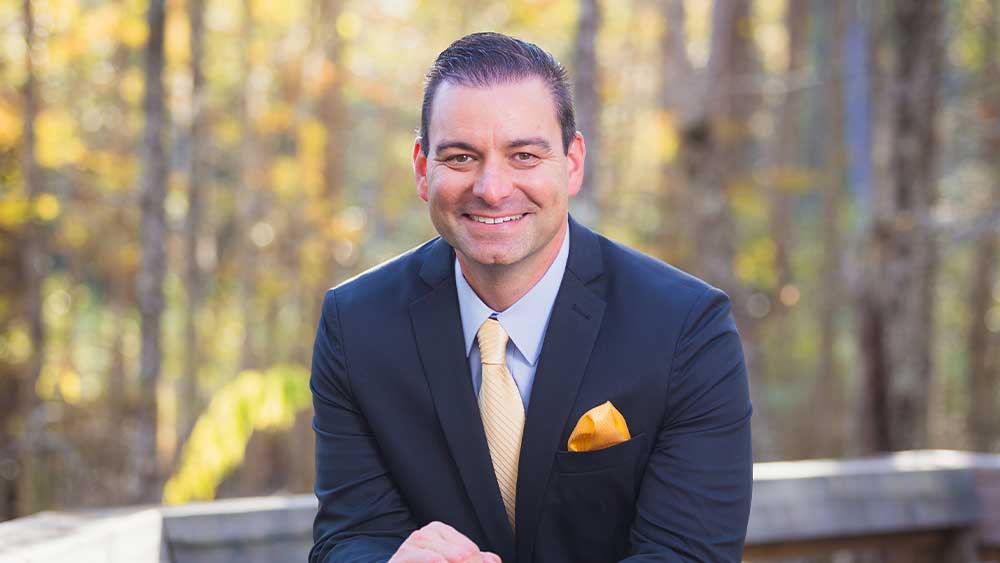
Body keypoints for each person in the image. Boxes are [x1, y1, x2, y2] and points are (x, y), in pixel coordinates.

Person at [309, 32, 752, 563]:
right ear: (424, 170)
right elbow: (348, 537)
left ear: (572, 162)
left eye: (523, 155)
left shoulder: (686, 328)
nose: (492, 188)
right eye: (461, 157)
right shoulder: (355, 326)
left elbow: (688, 555)